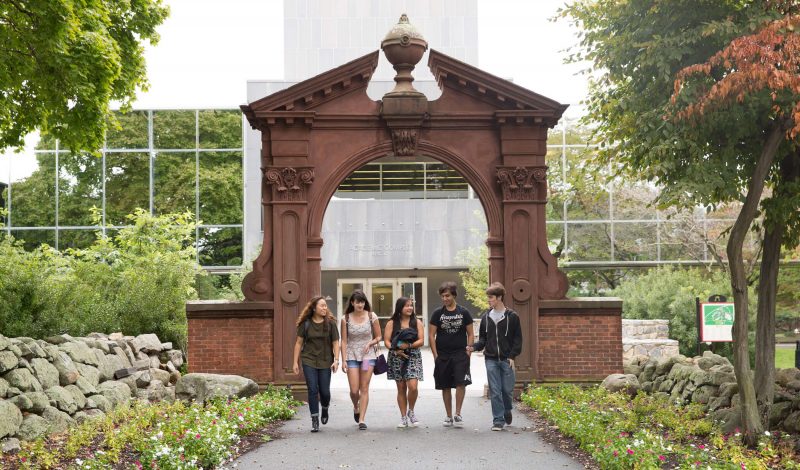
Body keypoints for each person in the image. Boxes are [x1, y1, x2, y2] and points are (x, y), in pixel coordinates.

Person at [468, 282, 522, 431]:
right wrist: (473, 347)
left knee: (507, 390)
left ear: (499, 297)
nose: (488, 300)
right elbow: (483, 340)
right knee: (495, 390)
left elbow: (518, 339)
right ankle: (498, 420)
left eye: (491, 297)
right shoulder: (486, 317)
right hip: (491, 359)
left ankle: (507, 410)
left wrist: (512, 356)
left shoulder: (512, 317)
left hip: (507, 359)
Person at [429, 281, 474, 427]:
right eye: (442, 296)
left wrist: (468, 351)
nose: (445, 299)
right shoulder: (437, 313)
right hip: (443, 355)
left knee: (461, 383)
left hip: (460, 354)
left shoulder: (464, 312)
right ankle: (448, 416)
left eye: (447, 295)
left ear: (454, 295)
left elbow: (471, 334)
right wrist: (435, 356)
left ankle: (458, 413)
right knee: (445, 385)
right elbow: (431, 335)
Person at [292, 296, 340, 433]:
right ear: (314, 308)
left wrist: (336, 360)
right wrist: (295, 362)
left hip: (326, 361)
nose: (325, 308)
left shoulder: (330, 324)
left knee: (324, 391)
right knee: (312, 389)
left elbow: (335, 343)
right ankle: (314, 419)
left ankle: (325, 407)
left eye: (326, 306)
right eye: (322, 306)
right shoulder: (305, 324)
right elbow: (299, 343)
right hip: (309, 360)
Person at [340, 290, 382, 431]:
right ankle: (355, 406)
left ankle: (362, 419)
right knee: (354, 389)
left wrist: (370, 343)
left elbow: (379, 337)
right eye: (358, 302)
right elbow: (344, 341)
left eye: (362, 302)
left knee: (364, 387)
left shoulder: (371, 316)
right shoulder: (345, 318)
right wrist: (343, 359)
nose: (360, 304)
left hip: (367, 357)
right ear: (352, 303)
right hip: (352, 356)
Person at [383, 296, 425, 428]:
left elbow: (421, 340)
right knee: (401, 388)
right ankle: (403, 417)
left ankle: (411, 411)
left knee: (413, 386)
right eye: (407, 305)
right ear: (400, 308)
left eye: (411, 305)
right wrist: (395, 350)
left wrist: (409, 346)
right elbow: (387, 341)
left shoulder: (416, 322)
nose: (410, 308)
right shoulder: (392, 323)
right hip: (396, 356)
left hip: (413, 355)